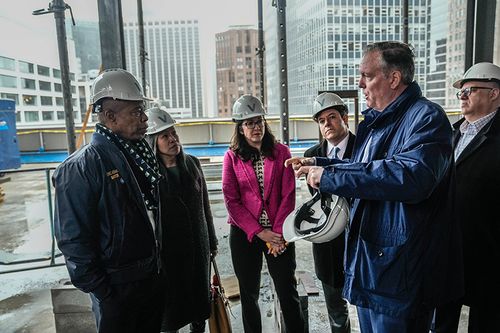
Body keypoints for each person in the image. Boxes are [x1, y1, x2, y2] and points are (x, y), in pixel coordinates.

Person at [286, 41, 463, 332]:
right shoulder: (377, 123)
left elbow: (409, 176)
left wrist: (329, 177)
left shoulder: (427, 118)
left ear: (393, 78)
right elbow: (363, 166)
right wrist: (323, 165)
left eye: (367, 76)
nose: (360, 84)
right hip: (372, 267)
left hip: (399, 274)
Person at [52, 68, 165, 333]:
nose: (145, 119)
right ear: (110, 116)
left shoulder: (138, 155)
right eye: (136, 112)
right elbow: (73, 241)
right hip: (117, 289)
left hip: (149, 278)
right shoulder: (80, 168)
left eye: (142, 110)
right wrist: (104, 293)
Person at [222, 94, 305, 333]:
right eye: (249, 123)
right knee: (249, 295)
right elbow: (232, 200)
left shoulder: (282, 152)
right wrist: (260, 232)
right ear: (240, 127)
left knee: (287, 291)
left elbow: (288, 194)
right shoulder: (232, 157)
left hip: (279, 233)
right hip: (245, 234)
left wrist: (277, 234)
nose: (255, 127)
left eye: (258, 121)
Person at [432, 62, 500, 333]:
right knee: (441, 322)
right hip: (448, 249)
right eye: (460, 92)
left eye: (468, 90)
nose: (461, 96)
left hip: (489, 251)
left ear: (493, 93)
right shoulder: (450, 133)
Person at [144, 106, 218, 333]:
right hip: (170, 254)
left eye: (173, 133)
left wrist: (212, 242)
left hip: (199, 246)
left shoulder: (192, 164)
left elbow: (205, 207)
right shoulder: (150, 174)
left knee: (199, 306)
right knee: (171, 311)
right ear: (154, 141)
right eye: (165, 136)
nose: (172, 139)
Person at [302, 92, 355, 333]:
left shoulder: (364, 147)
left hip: (359, 239)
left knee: (368, 308)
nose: (327, 124)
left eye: (332, 117)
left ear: (345, 117)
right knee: (336, 309)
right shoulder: (310, 156)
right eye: (322, 121)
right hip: (328, 243)